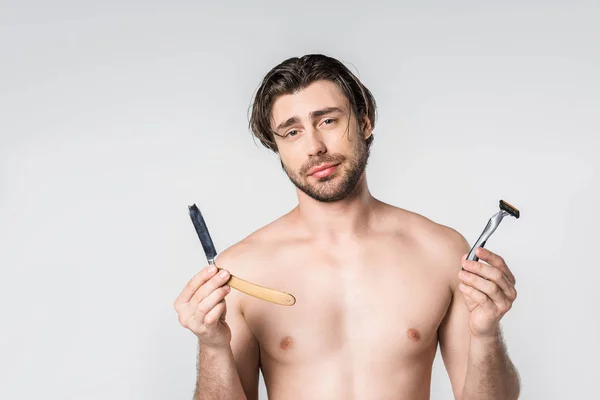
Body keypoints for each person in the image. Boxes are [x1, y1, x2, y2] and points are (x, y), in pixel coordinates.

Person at [174, 54, 521, 400]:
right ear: (277, 147)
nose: (314, 147)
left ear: (365, 122)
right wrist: (213, 347)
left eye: (327, 121)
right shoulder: (242, 271)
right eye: (292, 132)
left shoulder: (439, 250)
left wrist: (487, 335)